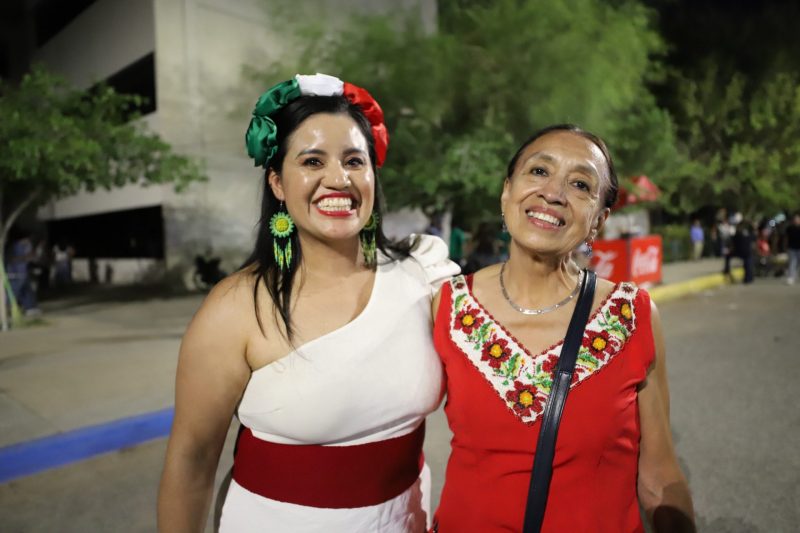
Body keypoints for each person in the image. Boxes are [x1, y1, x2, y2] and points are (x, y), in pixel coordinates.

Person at [157, 74, 458, 533]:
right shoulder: (236, 308)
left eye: (354, 161)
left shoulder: (423, 273)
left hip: (405, 519)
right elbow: (191, 461)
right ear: (278, 183)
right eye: (312, 161)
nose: (338, 179)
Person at [431, 124, 695, 532]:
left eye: (580, 185)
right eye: (539, 171)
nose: (553, 193)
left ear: (598, 220)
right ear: (506, 191)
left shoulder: (632, 315)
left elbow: (659, 475)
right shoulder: (448, 305)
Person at [785, 213, 800, 285]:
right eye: (795, 219)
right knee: (792, 263)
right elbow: (786, 238)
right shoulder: (790, 228)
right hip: (791, 247)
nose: (796, 220)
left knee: (797, 263)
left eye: (797, 219)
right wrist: (785, 246)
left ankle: (795, 275)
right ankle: (791, 277)